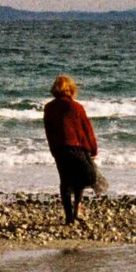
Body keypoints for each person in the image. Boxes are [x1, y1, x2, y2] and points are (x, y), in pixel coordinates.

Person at [42, 73, 104, 225]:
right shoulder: (76, 107)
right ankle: (76, 210)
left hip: (59, 149)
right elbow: (87, 129)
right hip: (77, 147)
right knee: (82, 180)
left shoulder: (48, 107)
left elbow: (48, 131)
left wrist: (53, 150)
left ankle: (69, 217)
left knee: (65, 182)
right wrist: (94, 149)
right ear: (70, 89)